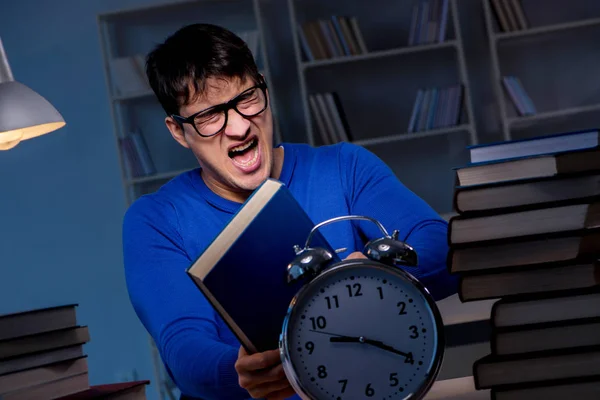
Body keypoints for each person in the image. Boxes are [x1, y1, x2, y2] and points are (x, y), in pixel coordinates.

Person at [122, 23, 458, 400]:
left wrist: (374, 276)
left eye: (247, 98)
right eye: (210, 116)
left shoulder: (344, 167)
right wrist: (238, 373)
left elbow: (441, 246)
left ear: (264, 86)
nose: (238, 127)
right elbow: (182, 346)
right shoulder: (156, 220)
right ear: (178, 131)